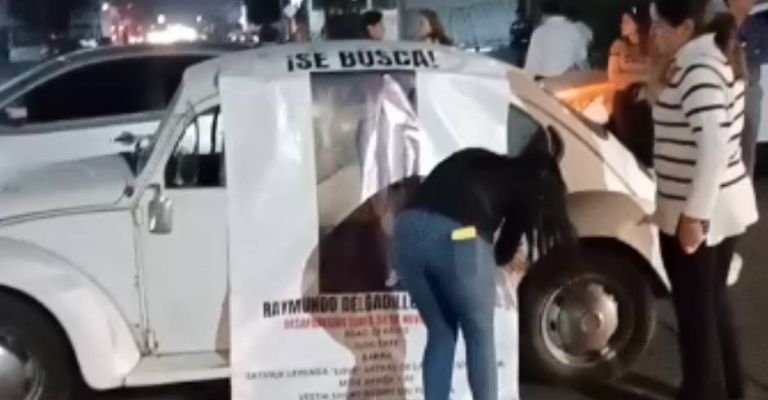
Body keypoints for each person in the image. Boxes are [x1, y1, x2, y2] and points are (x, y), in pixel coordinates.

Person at [393, 133, 576, 400]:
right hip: (460, 238)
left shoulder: (476, 157)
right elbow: (503, 252)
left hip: (405, 232)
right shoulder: (524, 188)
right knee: (479, 335)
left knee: (441, 333)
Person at [650, 0, 759, 399]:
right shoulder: (705, 59)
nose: (654, 33)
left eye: (659, 24)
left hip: (699, 212)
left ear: (684, 29)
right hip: (717, 206)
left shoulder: (698, 68)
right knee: (712, 307)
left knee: (696, 315)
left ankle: (704, 391)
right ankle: (727, 388)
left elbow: (712, 145)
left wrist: (693, 216)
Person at [724, 0, 767, 176]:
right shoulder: (719, 21)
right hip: (724, 87)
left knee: (748, 140)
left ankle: (746, 182)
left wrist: (745, 56)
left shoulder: (758, 23)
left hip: (750, 88)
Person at [524, 0, 589, 79]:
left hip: (545, 81)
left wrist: (526, 82)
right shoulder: (574, 30)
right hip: (568, 80)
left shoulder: (539, 32)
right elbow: (582, 61)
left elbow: (532, 64)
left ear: (544, 14)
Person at [608, 4, 652, 89]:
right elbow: (613, 76)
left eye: (627, 21)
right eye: (622, 21)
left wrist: (626, 77)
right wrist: (645, 77)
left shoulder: (652, 44)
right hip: (625, 93)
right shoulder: (618, 45)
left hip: (649, 93)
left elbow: (658, 72)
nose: (622, 25)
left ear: (638, 24)